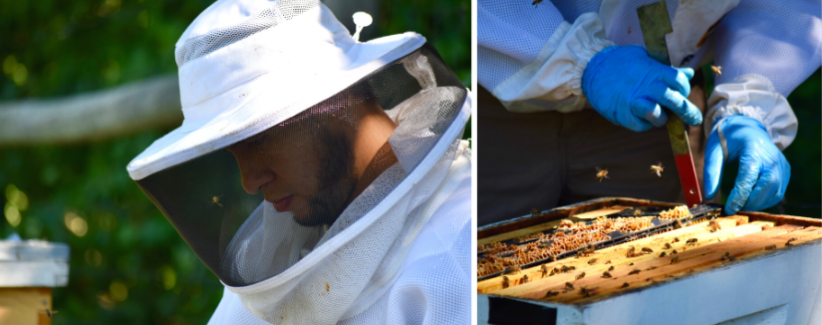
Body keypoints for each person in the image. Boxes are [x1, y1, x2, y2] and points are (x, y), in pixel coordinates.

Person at [126, 1, 472, 324]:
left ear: (338, 102)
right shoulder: (278, 263)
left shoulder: (456, 248)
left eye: (260, 140)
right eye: (235, 153)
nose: (250, 181)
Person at [477, 0, 820, 226]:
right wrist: (584, 61)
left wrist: (750, 103)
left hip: (664, 103)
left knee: (663, 281)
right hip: (506, 78)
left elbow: (786, 8)